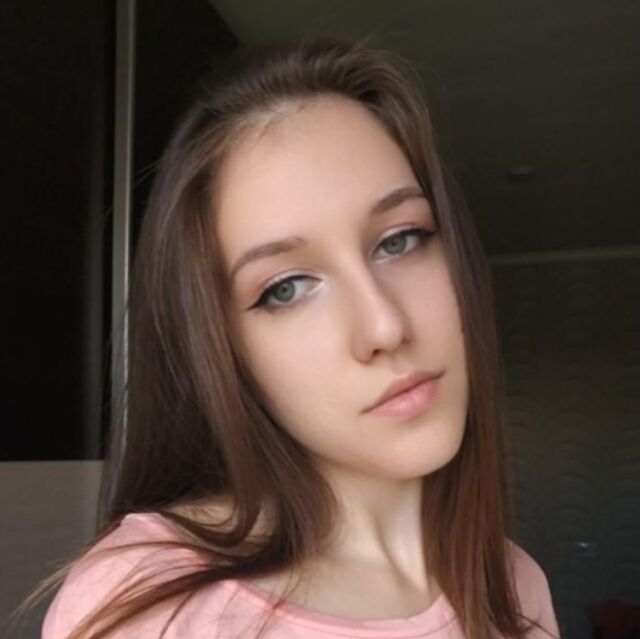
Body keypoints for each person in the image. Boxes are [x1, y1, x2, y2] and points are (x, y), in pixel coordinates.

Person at [37, 36, 561, 638]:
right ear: (223, 351)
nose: (385, 327)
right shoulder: (149, 606)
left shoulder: (515, 585)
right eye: (286, 288)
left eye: (400, 240)